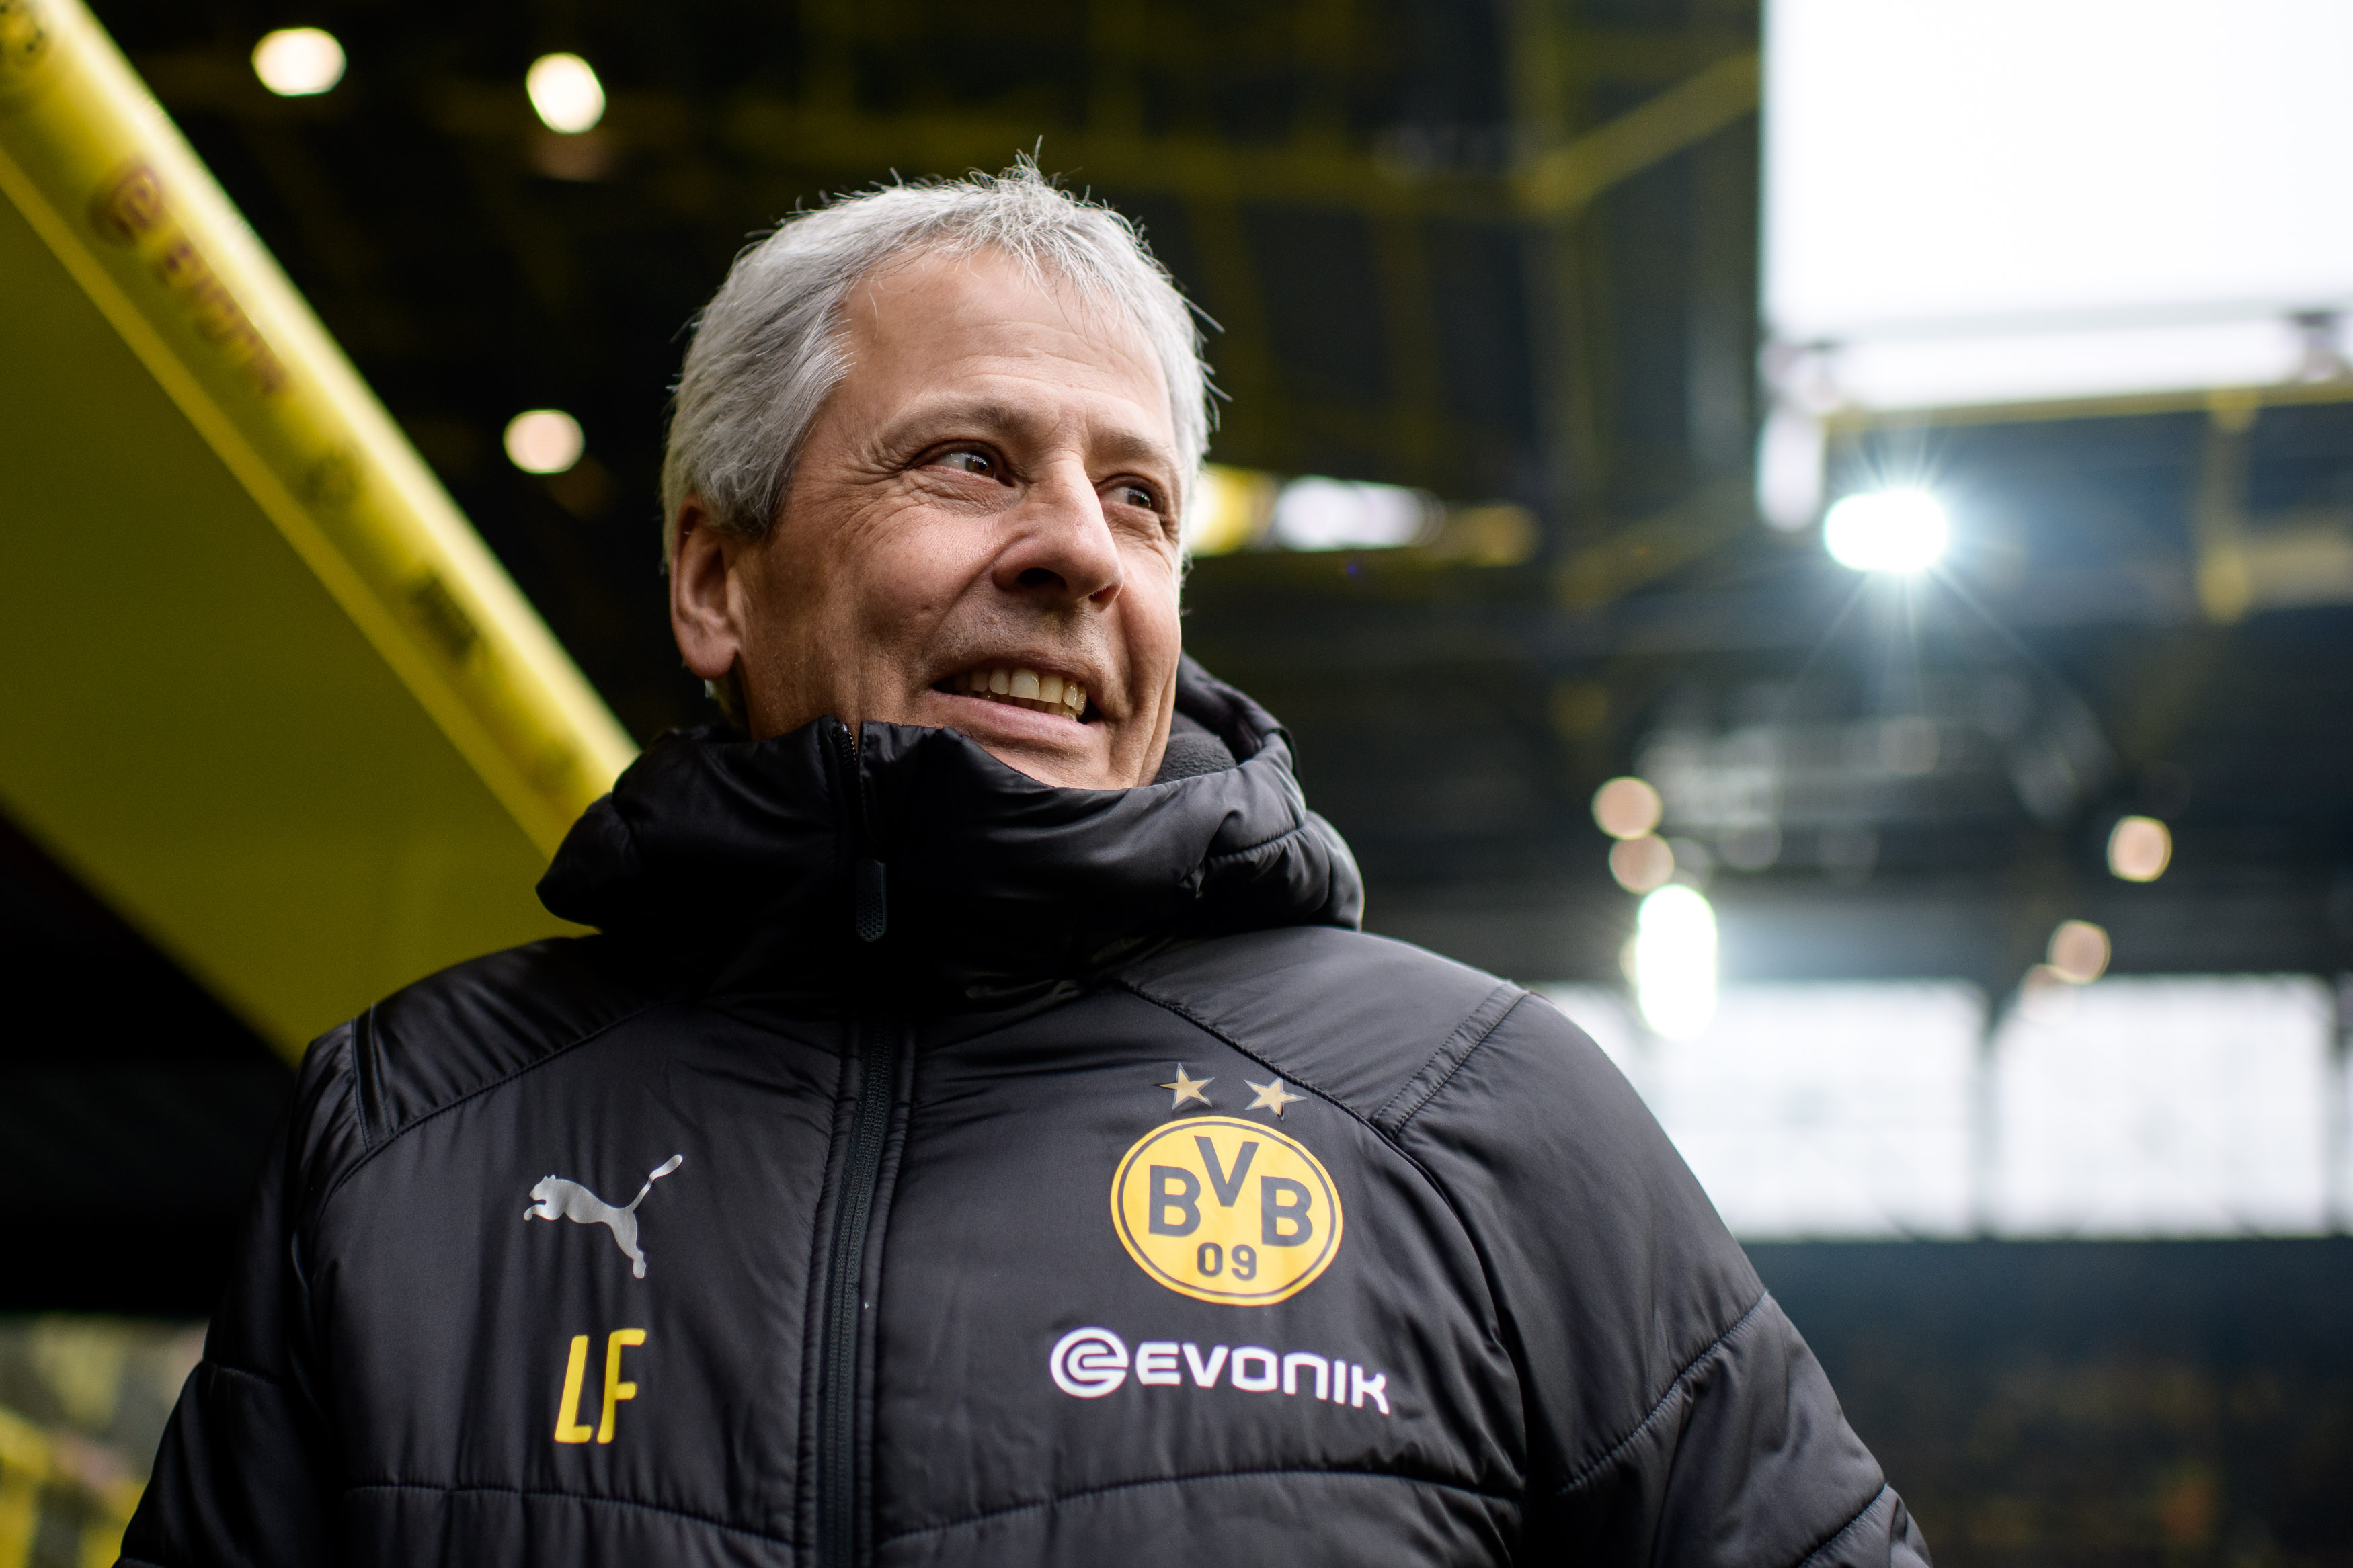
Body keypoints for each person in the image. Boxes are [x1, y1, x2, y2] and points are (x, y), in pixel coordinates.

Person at [124, 164, 1931, 1568]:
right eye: (972, 462)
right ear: (716, 580)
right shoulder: (404, 1131)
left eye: (1139, 498)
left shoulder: (1482, 1114)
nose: (1079, 549)